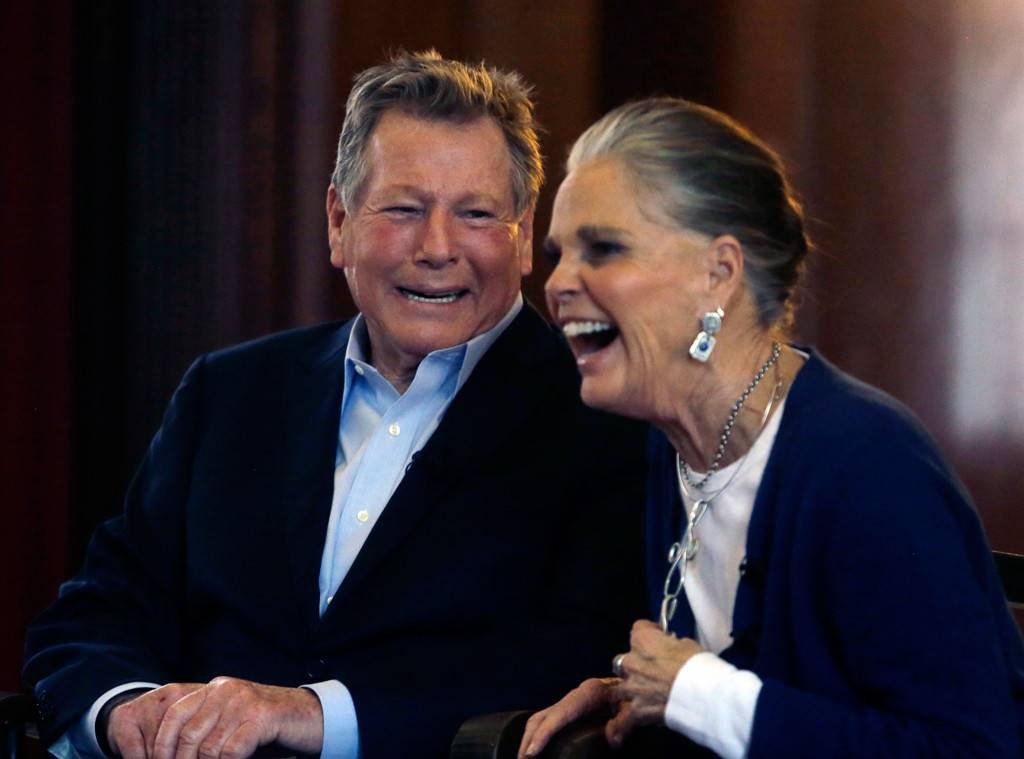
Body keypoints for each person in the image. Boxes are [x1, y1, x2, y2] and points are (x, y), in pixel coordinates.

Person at [23, 51, 648, 759]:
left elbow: (575, 664)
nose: (437, 247)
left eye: (475, 214)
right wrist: (122, 710)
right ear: (338, 221)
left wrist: (314, 713)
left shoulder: (604, 414)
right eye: (404, 209)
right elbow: (97, 614)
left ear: (524, 237)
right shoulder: (229, 393)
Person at [519, 97, 1024, 757]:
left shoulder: (866, 465)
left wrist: (699, 695)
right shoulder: (668, 446)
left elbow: (973, 747)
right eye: (558, 254)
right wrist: (636, 690)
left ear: (719, 273)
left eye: (604, 248)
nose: (557, 282)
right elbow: (783, 688)